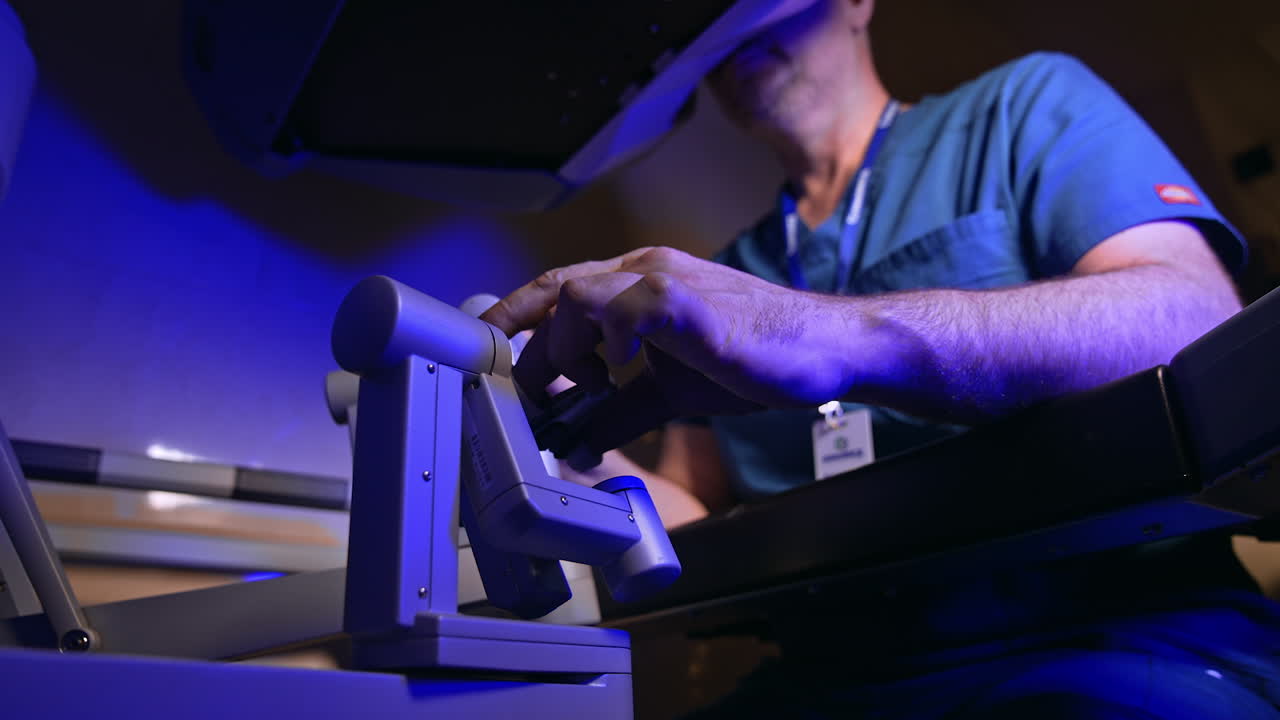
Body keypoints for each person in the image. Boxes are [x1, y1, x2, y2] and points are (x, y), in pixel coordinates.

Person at [483, 0, 1279, 716]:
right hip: (839, 676)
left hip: (1122, 637)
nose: (726, 42)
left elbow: (1192, 317)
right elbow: (698, 517)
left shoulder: (1022, 109)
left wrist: (832, 336)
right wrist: (551, 441)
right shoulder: (730, 272)